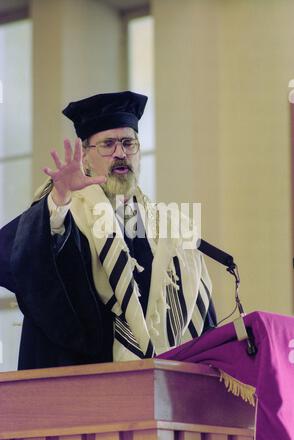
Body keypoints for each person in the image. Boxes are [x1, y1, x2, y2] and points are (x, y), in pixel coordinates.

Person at [0, 91, 217, 370]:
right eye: (107, 144)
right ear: (86, 157)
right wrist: (60, 197)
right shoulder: (67, 212)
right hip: (75, 376)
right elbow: (19, 260)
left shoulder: (163, 226)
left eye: (128, 143)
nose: (120, 153)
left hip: (154, 380)